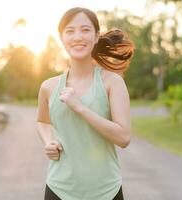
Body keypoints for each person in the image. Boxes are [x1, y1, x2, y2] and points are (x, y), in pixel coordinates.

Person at [37, 6, 135, 200]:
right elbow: (43, 121)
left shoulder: (112, 82)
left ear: (96, 35)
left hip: (106, 191)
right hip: (59, 190)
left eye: (85, 29)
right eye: (70, 31)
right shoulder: (48, 87)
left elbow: (123, 137)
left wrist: (79, 107)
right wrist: (49, 141)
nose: (77, 37)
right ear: (62, 38)